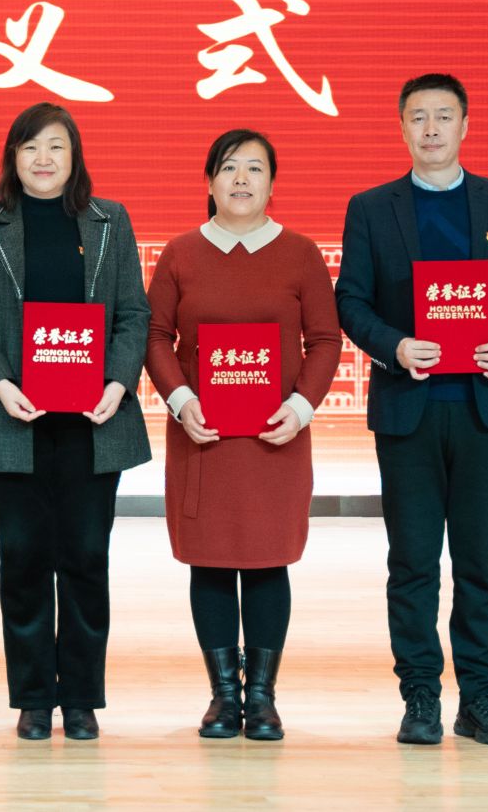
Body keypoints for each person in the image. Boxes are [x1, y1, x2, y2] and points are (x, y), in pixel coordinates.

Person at [334, 74, 488, 746]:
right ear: (401, 127)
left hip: (484, 411)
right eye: (419, 117)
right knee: (413, 563)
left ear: (464, 126)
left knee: (481, 564)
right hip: (410, 410)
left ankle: (481, 698)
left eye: (444, 116)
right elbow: (351, 301)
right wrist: (395, 345)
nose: (431, 128)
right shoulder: (372, 208)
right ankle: (420, 695)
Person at [0, 103, 151, 742]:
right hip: (16, 419)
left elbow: (133, 314)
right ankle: (34, 698)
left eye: (56, 147)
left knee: (87, 558)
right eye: (31, 147)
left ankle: (81, 698)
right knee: (24, 559)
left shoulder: (110, 221)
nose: (43, 159)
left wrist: (118, 382)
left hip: (94, 419)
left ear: (74, 156)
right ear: (13, 156)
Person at [144, 129, 341, 742]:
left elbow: (325, 339)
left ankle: (262, 699)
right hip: (202, 436)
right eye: (229, 167)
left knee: (266, 561)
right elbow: (155, 337)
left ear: (272, 183)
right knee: (209, 562)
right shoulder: (181, 253)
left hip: (274, 437)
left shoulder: (300, 253)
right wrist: (181, 400)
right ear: (209, 181)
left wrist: (301, 407)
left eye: (255, 168)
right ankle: (223, 698)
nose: (241, 179)